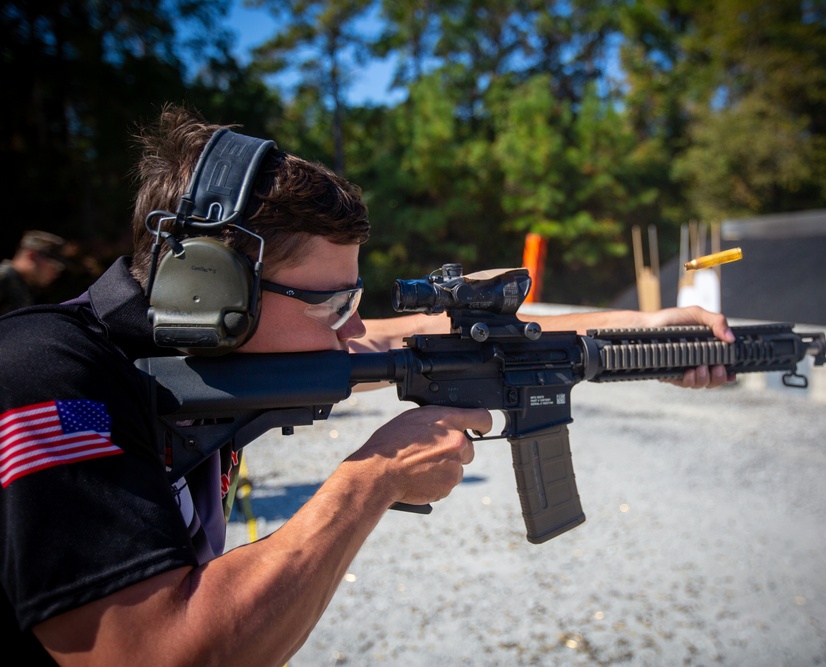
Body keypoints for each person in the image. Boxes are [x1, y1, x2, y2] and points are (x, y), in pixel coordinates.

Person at [0, 106, 734, 666]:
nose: (354, 327)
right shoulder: (46, 375)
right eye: (332, 304)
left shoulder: (198, 351)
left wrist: (648, 328)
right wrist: (371, 480)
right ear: (210, 288)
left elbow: (417, 333)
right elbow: (151, 650)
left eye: (354, 301)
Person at [0, 230, 67, 315]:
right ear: (31, 256)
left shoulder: (23, 286)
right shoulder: (3, 279)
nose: (56, 273)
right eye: (54, 265)